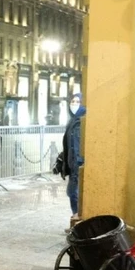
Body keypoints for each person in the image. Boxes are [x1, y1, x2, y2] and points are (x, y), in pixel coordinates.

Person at [54, 93, 85, 231]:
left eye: (78, 101)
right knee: (72, 193)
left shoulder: (80, 121)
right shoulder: (73, 121)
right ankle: (76, 220)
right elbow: (70, 144)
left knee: (74, 193)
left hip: (78, 164)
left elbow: (77, 145)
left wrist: (78, 162)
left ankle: (78, 223)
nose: (74, 103)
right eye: (72, 101)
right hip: (73, 164)